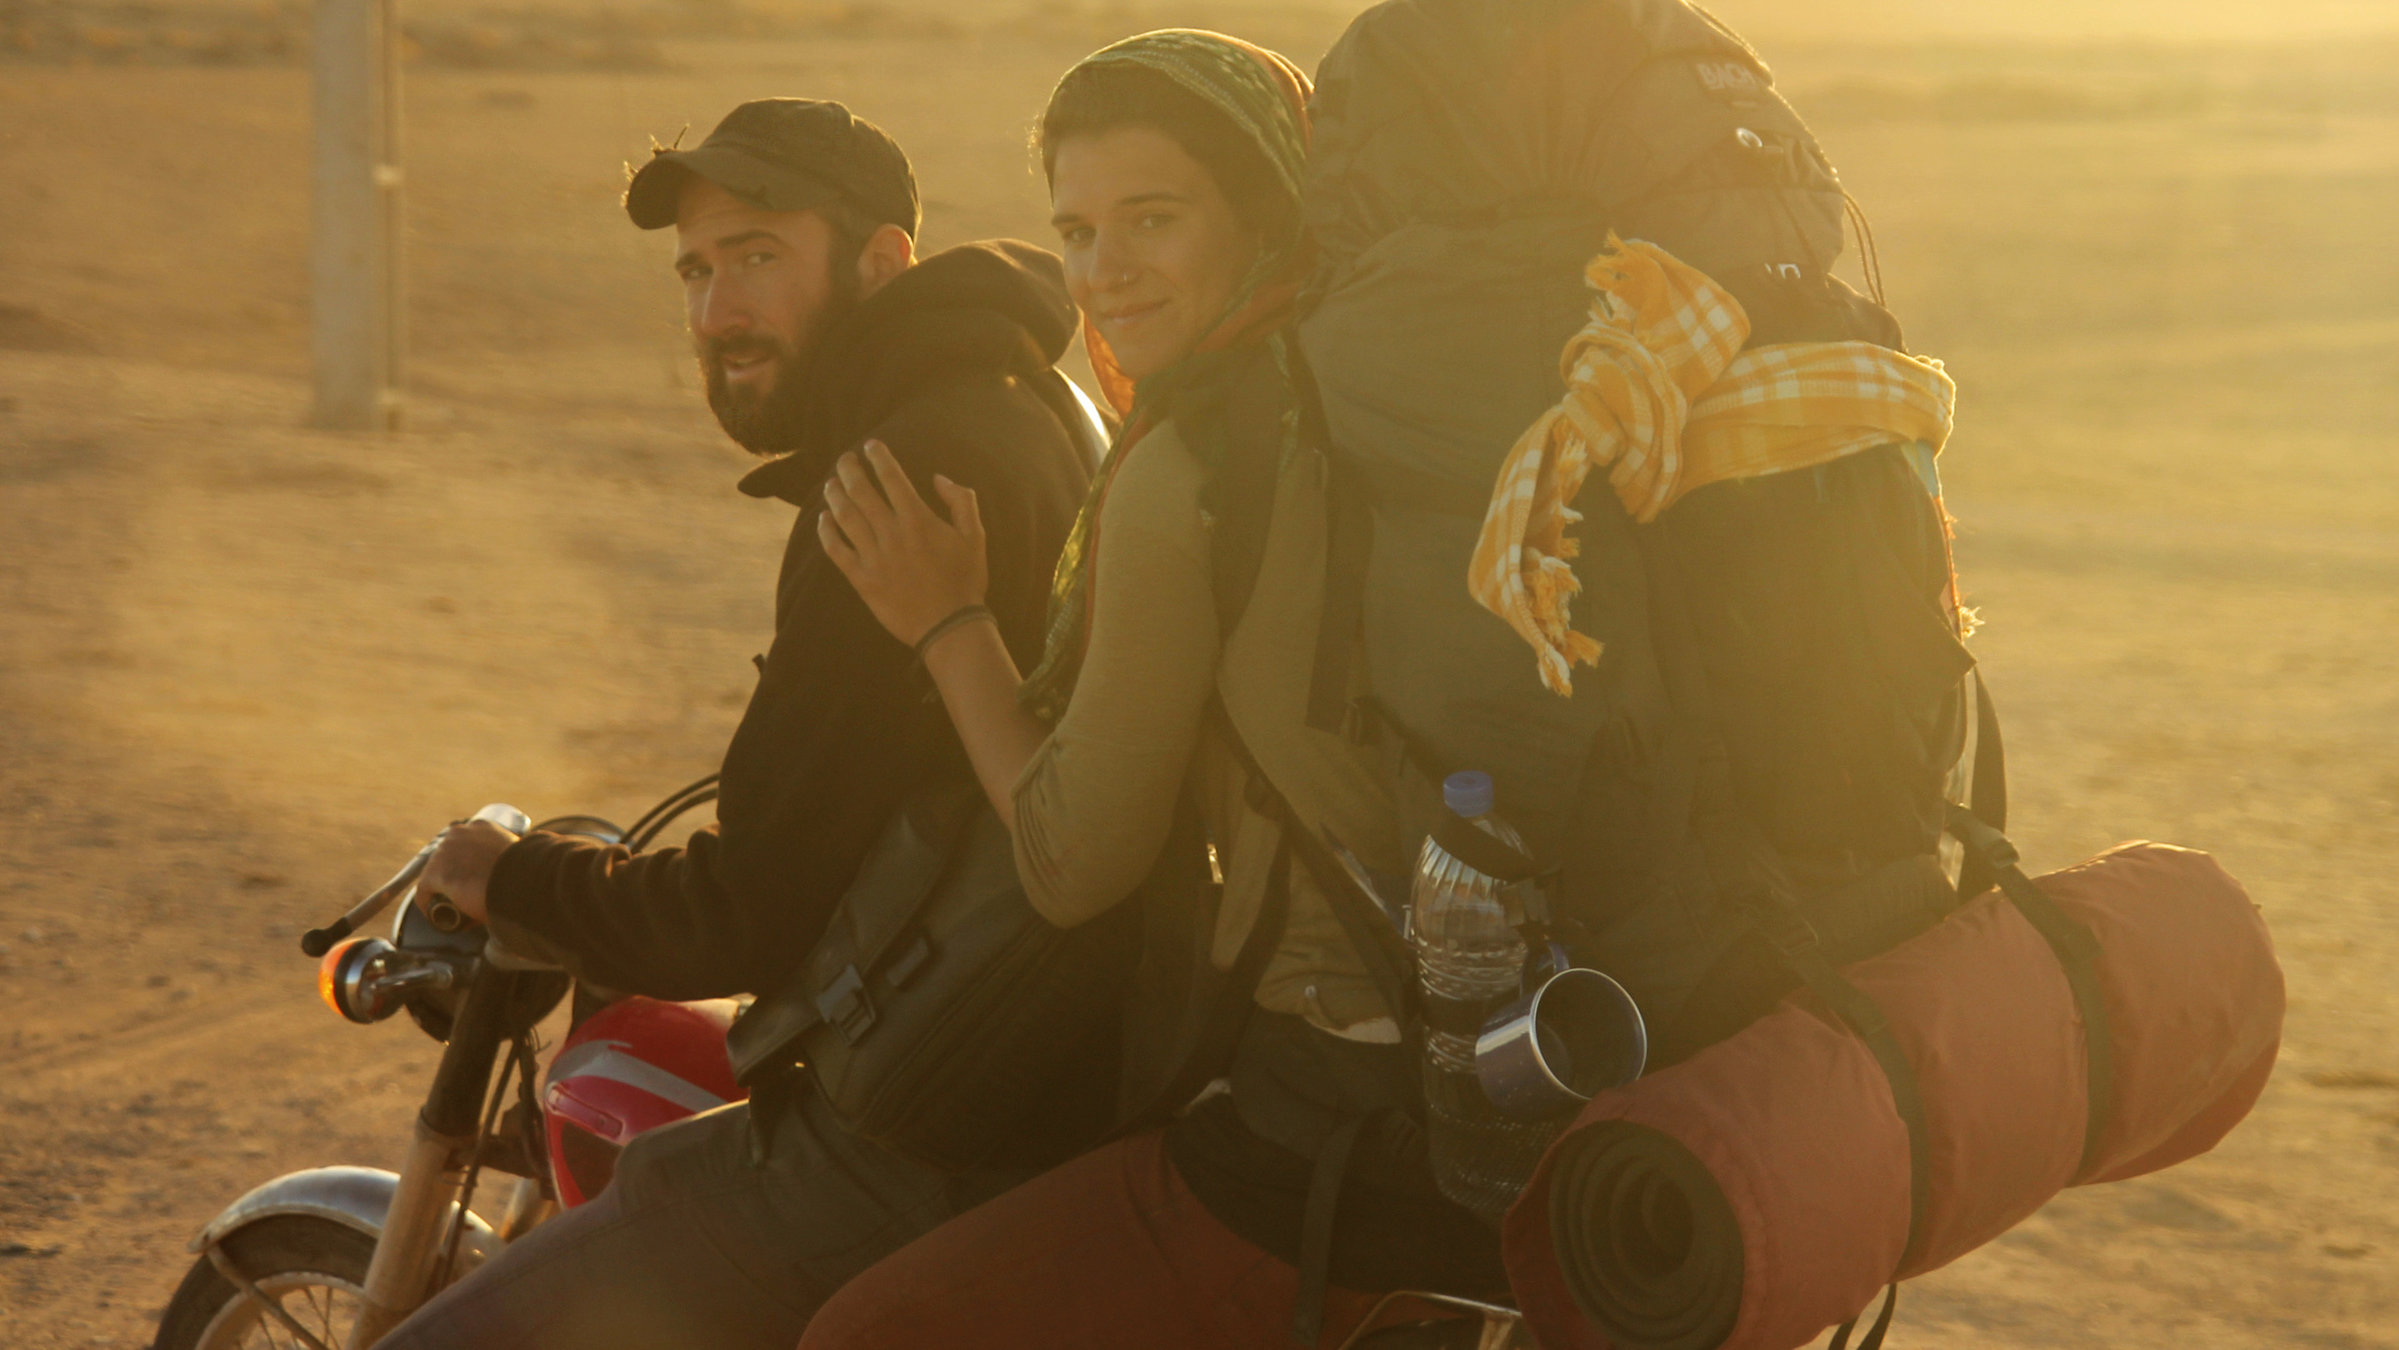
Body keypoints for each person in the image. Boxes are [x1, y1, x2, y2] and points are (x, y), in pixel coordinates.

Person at [804, 31, 1500, 1349]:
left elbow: (1072, 856)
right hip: (1513, 1038)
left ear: (1264, 210)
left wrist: (946, 619)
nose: (1101, 271)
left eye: (1151, 219)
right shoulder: (1384, 399)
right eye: (1074, 229)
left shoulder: (1199, 457)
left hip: (1337, 1099)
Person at [377, 97, 1095, 1350]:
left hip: (928, 1115)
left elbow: (752, 910)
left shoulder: (898, 471)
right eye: (697, 273)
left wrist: (524, 879)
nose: (716, 314)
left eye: (758, 257)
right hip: (1044, 1061)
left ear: (881, 264)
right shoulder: (1028, 404)